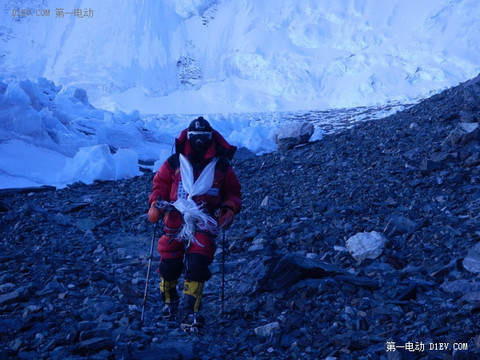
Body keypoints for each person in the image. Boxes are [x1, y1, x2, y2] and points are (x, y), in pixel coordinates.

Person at [148, 116, 241, 329]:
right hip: (174, 217)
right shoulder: (174, 162)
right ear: (189, 137)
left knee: (197, 263)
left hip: (204, 218)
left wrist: (229, 208)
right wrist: (155, 203)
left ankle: (191, 311)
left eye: (204, 137)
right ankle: (169, 302)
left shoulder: (221, 165)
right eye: (195, 137)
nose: (199, 141)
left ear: (210, 137)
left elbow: (233, 192)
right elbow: (160, 185)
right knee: (169, 263)